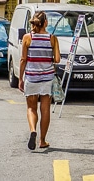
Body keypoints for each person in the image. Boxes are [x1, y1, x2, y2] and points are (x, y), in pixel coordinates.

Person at [18, 10, 60, 151]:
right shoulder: (52, 38)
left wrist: (20, 78)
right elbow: (58, 59)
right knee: (45, 109)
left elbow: (23, 59)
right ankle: (42, 141)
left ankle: (32, 131)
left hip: (31, 76)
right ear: (45, 23)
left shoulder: (27, 37)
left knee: (31, 108)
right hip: (47, 78)